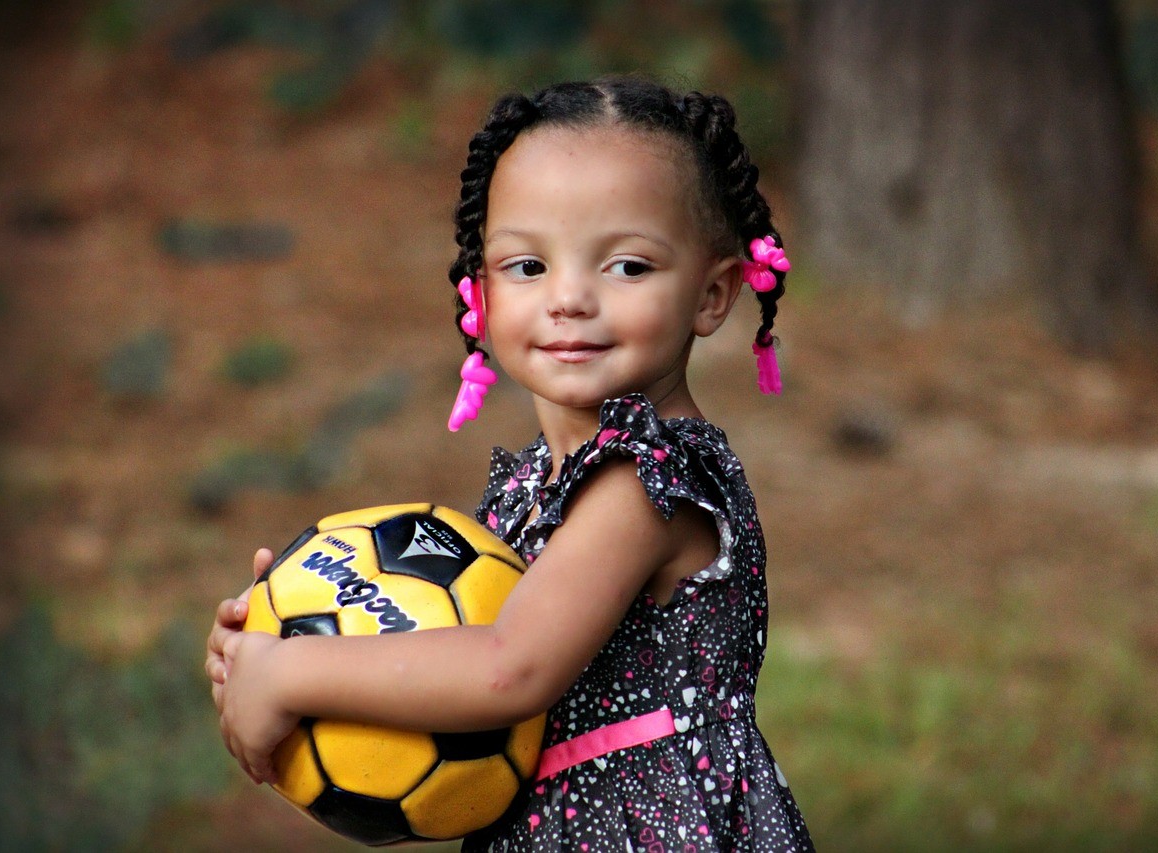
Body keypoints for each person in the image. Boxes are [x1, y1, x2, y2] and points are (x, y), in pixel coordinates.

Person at [205, 76, 813, 852]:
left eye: (626, 266)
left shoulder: (647, 482)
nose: (569, 298)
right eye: (527, 266)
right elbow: (450, 665)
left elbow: (506, 668)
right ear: (479, 289)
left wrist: (292, 673)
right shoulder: (539, 484)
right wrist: (275, 636)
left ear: (713, 293)